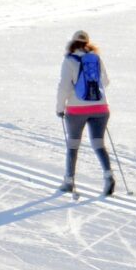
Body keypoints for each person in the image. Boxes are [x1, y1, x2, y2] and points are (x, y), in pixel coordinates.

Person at [56, 29, 114, 195]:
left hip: (76, 110)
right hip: (100, 108)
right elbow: (106, 82)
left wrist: (60, 108)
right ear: (88, 43)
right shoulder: (96, 59)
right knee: (98, 143)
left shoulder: (69, 60)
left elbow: (64, 87)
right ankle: (108, 176)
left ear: (73, 43)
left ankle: (69, 181)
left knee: (73, 145)